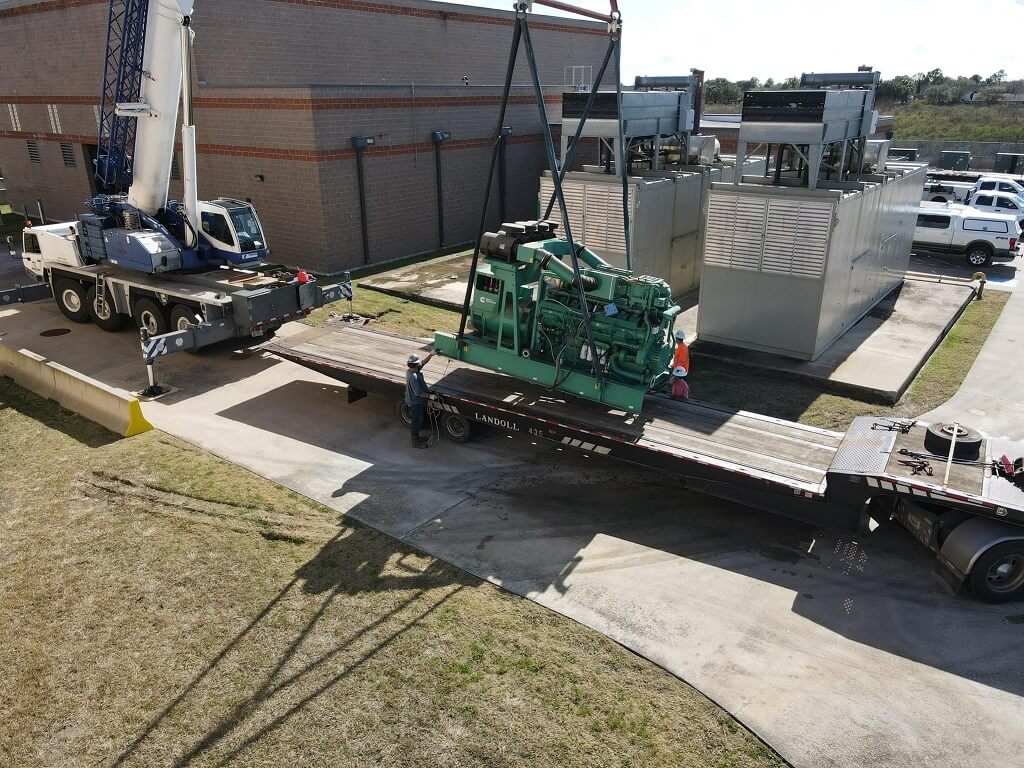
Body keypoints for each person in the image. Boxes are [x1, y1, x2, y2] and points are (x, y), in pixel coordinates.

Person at [406, 351, 434, 448]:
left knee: (419, 420)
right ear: (416, 365)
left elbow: (423, 362)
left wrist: (431, 354)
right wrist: (430, 396)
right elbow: (418, 393)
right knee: (416, 422)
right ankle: (415, 442)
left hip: (416, 401)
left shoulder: (411, 370)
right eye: (418, 363)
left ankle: (417, 437)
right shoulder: (413, 377)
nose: (420, 364)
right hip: (415, 403)